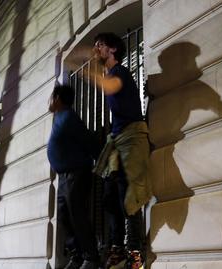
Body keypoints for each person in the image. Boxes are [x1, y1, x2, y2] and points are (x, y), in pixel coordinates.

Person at [91, 32, 153, 269]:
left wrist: (84, 67)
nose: (96, 49)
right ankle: (117, 248)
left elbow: (112, 86)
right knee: (110, 198)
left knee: (129, 198)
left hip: (131, 138)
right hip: (117, 140)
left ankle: (135, 253)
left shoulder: (120, 73)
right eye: (95, 45)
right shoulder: (110, 75)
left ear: (113, 49)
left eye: (101, 45)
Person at [47, 85, 100, 269]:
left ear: (58, 98)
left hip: (77, 173)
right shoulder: (59, 118)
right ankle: (76, 255)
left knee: (77, 215)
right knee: (63, 217)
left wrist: (100, 160)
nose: (49, 101)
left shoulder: (69, 117)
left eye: (51, 97)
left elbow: (88, 140)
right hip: (64, 176)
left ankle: (91, 257)